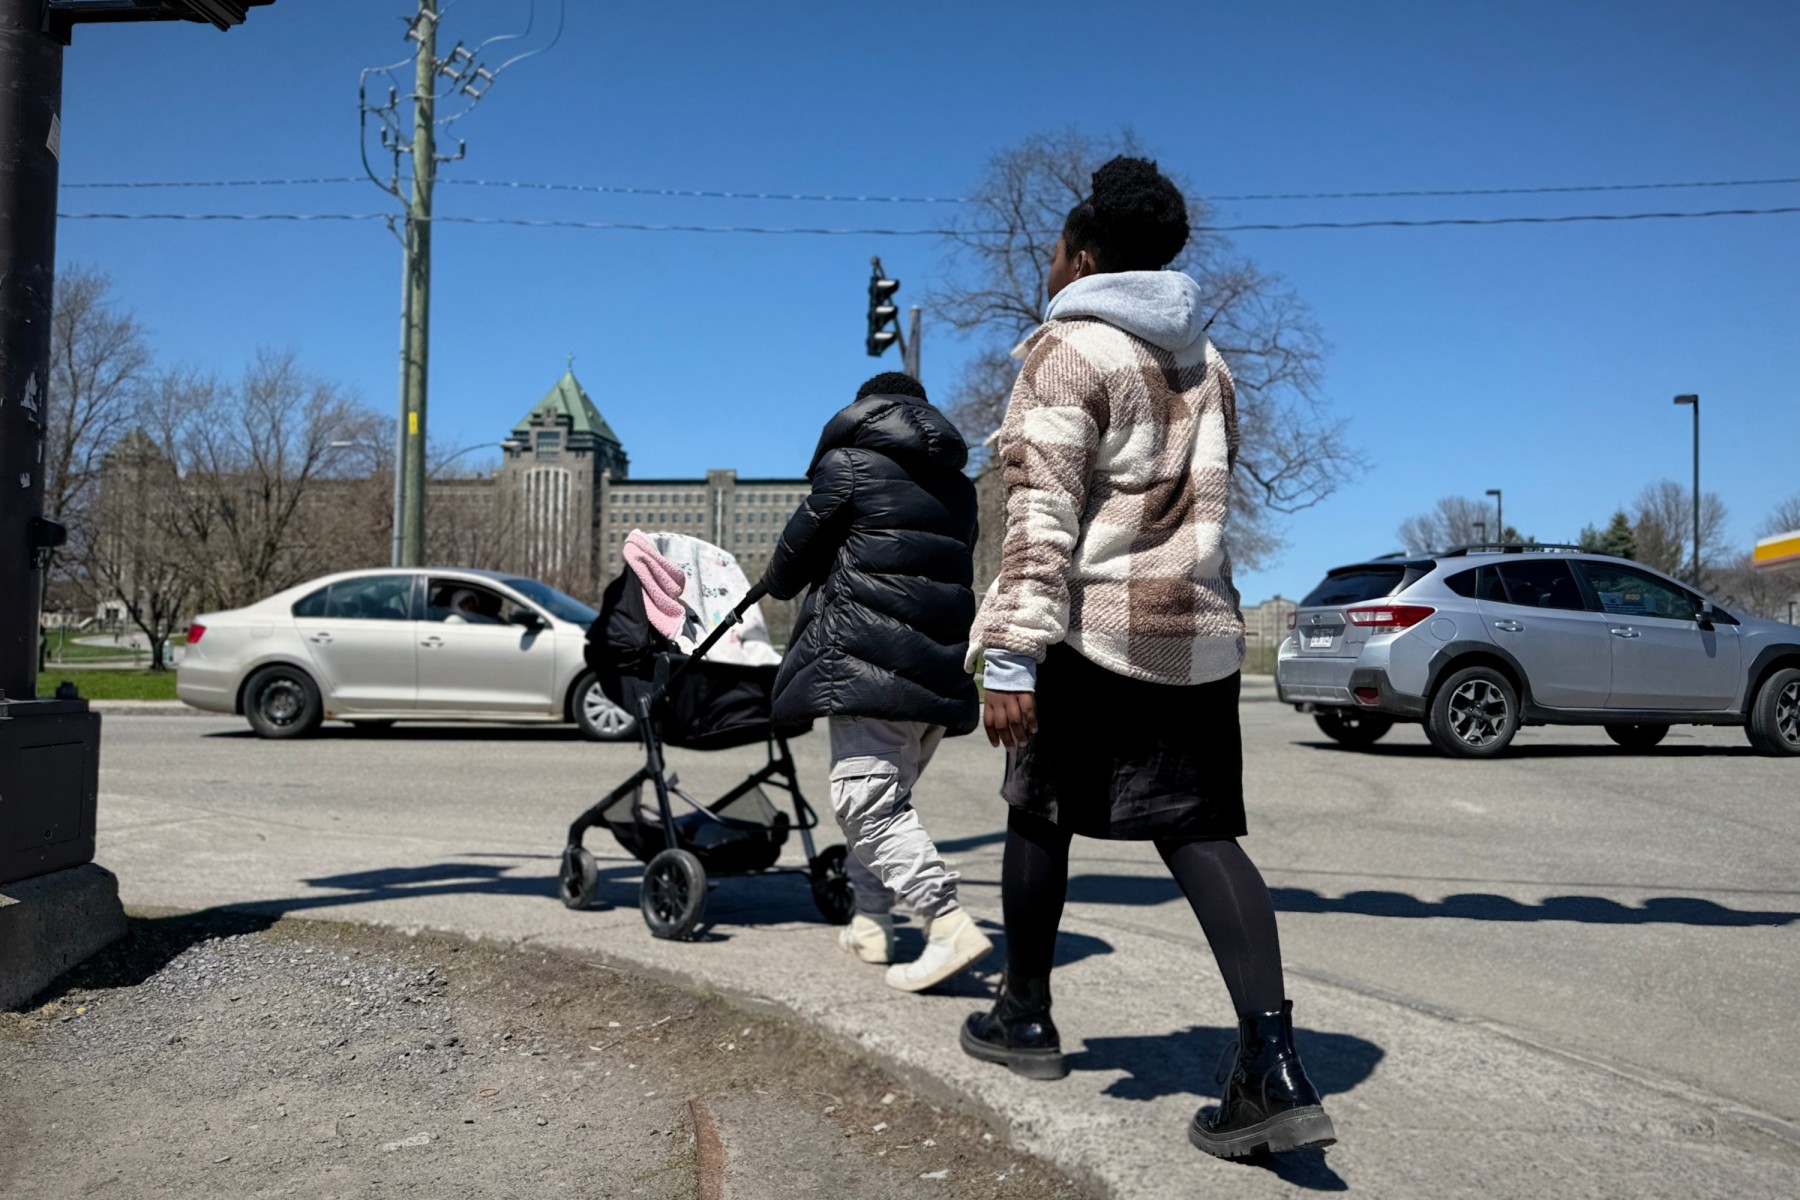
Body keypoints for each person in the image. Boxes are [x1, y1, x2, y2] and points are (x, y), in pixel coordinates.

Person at [960, 156, 1336, 1158]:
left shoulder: (1066, 350)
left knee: (1039, 810)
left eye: (1054, 248)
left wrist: (1011, 654)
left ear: (1082, 253)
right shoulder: (1209, 364)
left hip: (1092, 630)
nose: (1045, 262)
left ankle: (1025, 1014)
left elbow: (1041, 515)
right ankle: (1272, 1064)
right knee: (1203, 835)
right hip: (1198, 634)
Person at [758, 371, 992, 992]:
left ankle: (945, 924)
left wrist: (772, 583)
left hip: (867, 657)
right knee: (886, 805)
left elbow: (794, 555)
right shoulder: (961, 489)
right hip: (937, 668)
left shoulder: (850, 465)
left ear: (866, 408)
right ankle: (869, 922)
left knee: (867, 806)